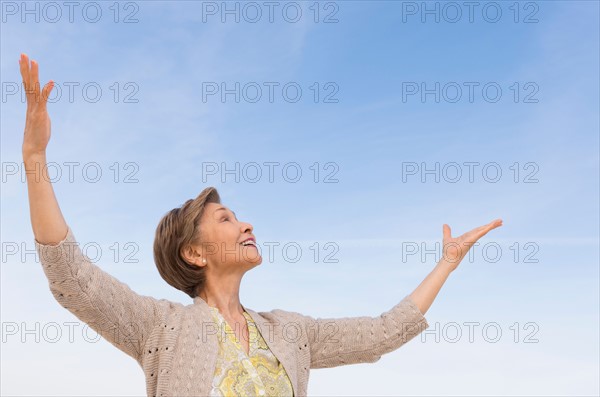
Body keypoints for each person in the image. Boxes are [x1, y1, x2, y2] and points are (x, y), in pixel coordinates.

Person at [20, 53, 503, 397]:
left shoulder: (292, 332)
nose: (247, 223)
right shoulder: (158, 327)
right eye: (226, 219)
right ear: (195, 252)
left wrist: (447, 263)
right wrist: (35, 158)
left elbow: (383, 333)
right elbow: (72, 279)